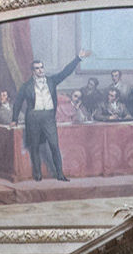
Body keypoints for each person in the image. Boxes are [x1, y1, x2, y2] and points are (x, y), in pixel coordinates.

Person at [14, 52, 87, 182]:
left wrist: (78, 58)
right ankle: (37, 175)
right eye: (37, 68)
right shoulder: (26, 86)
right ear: (33, 71)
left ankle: (60, 174)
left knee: (54, 145)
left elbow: (66, 72)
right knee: (35, 147)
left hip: (48, 117)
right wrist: (14, 119)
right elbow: (18, 102)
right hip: (33, 118)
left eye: (41, 67)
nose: (40, 70)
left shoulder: (52, 81)